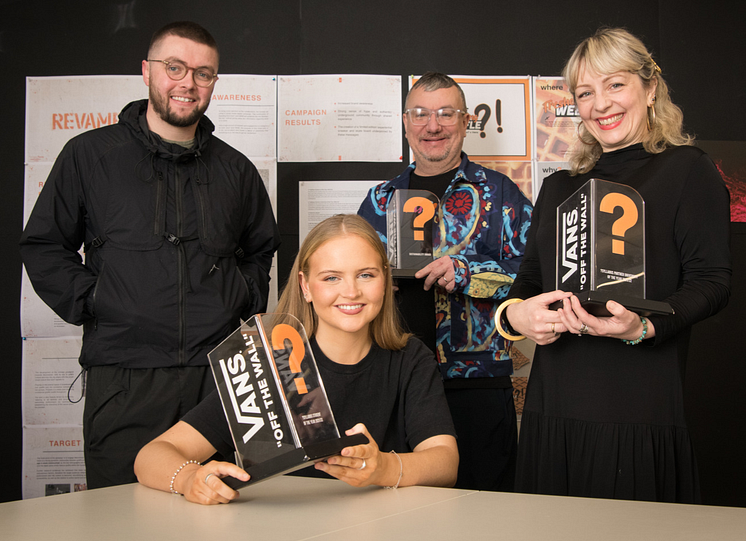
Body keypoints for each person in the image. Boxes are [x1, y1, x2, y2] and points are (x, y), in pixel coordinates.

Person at [19, 21, 280, 489]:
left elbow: (261, 250)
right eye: (175, 67)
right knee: (121, 515)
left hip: (217, 382)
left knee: (221, 509)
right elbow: (43, 245)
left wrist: (239, 293)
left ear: (214, 82)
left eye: (204, 73)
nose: (188, 83)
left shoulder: (236, 170)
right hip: (123, 378)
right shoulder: (88, 155)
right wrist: (96, 300)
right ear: (147, 71)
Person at [501, 28, 731, 503]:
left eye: (615, 84)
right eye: (586, 92)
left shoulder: (688, 169)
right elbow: (526, 282)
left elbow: (712, 281)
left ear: (650, 89)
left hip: (638, 409)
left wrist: (643, 326)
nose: (600, 103)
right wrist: (514, 316)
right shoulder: (559, 186)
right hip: (553, 409)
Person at [134, 214, 459, 504]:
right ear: (305, 286)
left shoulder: (410, 359)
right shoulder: (266, 365)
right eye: (331, 277)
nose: (350, 291)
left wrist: (382, 467)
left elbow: (445, 463)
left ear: (386, 280)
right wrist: (190, 478)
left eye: (366, 275)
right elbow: (150, 457)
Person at [358, 72, 532, 491]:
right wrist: (373, 280)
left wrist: (466, 273)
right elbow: (351, 276)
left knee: (485, 508)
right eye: (420, 113)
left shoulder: (502, 194)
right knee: (399, 510)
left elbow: (535, 279)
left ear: (466, 120)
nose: (431, 125)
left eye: (445, 114)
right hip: (394, 380)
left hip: (477, 384)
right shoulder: (379, 199)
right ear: (405, 122)